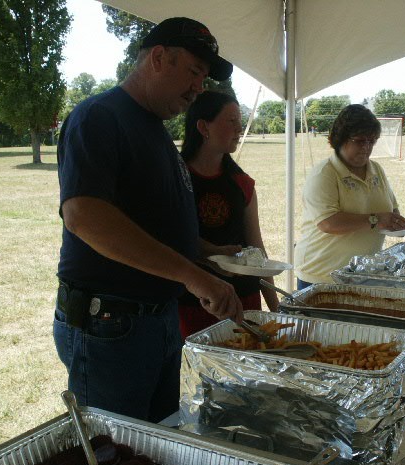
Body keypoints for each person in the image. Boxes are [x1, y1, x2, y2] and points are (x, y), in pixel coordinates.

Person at [53, 17, 243, 424]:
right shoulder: (99, 116)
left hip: (156, 319)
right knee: (115, 454)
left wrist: (210, 255)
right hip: (109, 325)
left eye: (205, 77)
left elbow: (154, 221)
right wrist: (191, 275)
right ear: (158, 58)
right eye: (194, 71)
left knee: (161, 441)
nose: (199, 87)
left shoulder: (153, 128)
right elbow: (85, 215)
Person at [178, 91, 279, 338]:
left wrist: (276, 307)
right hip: (190, 301)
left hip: (243, 301)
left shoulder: (242, 184)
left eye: (240, 122)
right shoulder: (176, 178)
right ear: (203, 127)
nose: (240, 128)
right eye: (231, 121)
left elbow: (257, 247)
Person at [294, 104, 405, 289]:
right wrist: (376, 220)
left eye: (372, 141)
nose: (367, 147)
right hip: (322, 276)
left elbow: (392, 208)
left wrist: (395, 222)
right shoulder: (324, 173)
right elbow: (328, 223)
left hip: (362, 274)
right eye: (360, 140)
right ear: (340, 139)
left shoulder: (376, 170)